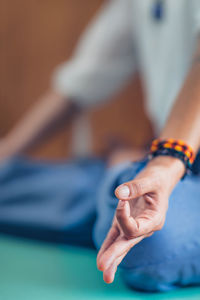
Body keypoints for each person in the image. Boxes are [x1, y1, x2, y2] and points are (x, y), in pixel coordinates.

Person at [0, 0, 200, 292]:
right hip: (158, 168)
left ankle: (114, 188)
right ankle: (112, 196)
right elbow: (83, 79)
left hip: (166, 164)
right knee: (6, 181)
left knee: (147, 245)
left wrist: (163, 162)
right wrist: (7, 151)